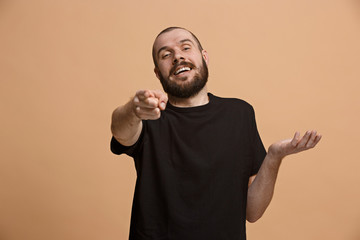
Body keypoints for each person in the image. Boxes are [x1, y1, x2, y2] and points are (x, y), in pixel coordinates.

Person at [110, 27, 322, 240]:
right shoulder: (149, 115)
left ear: (204, 57)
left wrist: (274, 156)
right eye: (166, 55)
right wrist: (133, 109)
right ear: (158, 73)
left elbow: (253, 211)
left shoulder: (239, 114)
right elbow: (120, 131)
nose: (178, 57)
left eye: (185, 47)